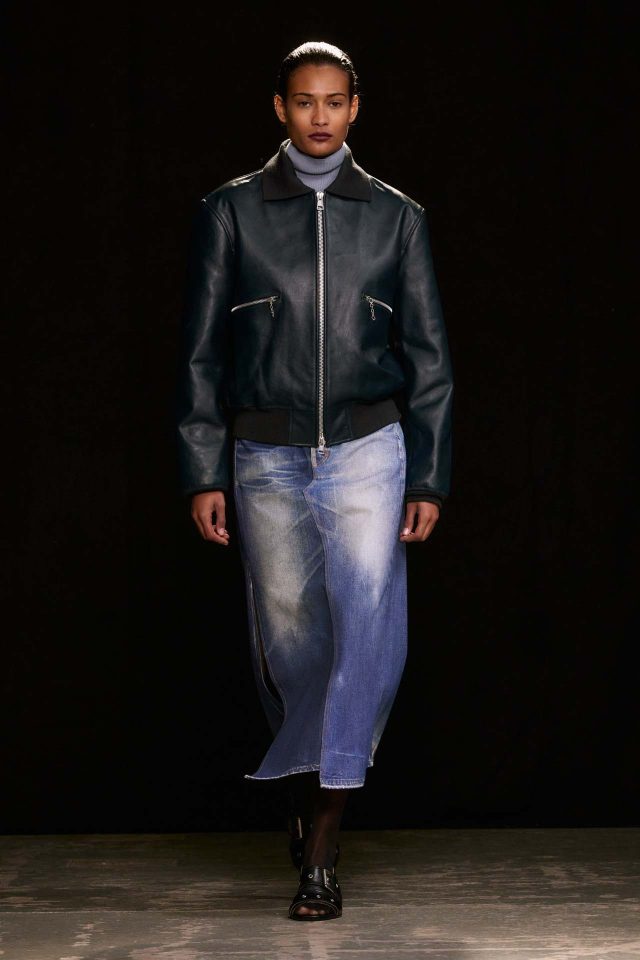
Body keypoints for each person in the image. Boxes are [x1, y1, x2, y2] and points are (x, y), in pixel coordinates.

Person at [176, 40, 453, 921]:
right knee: (290, 644)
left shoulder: (397, 217)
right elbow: (200, 356)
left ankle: (323, 847)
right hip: (265, 455)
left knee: (366, 633)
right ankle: (308, 784)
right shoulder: (231, 211)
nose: (320, 116)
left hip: (372, 450)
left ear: (355, 107)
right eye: (305, 101)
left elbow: (430, 361)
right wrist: (202, 468)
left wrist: (429, 479)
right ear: (280, 108)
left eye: (335, 101)